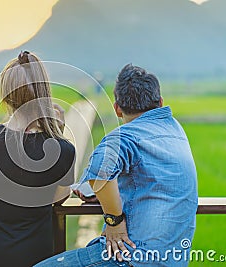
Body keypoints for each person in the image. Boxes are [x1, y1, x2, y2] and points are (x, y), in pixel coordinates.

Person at [35, 64, 198, 267]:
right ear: (161, 103)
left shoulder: (123, 137)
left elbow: (99, 175)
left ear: (117, 109)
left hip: (132, 257)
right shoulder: (175, 130)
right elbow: (148, 178)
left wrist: (114, 220)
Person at [0, 51, 76, 267]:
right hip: (35, 256)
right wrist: (57, 133)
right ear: (44, 92)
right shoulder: (64, 150)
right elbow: (59, 198)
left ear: (5, 94)